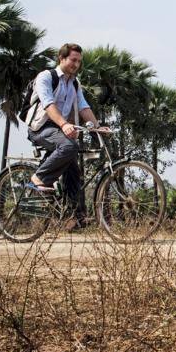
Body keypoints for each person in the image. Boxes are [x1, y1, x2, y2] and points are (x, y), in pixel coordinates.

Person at [25, 43, 109, 231]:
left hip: (59, 130)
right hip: (41, 128)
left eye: (79, 61)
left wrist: (97, 127)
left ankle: (73, 217)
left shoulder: (74, 83)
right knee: (70, 147)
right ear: (62, 59)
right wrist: (63, 124)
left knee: (74, 170)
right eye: (73, 60)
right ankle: (38, 178)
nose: (76, 64)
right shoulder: (46, 77)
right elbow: (48, 104)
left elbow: (83, 106)